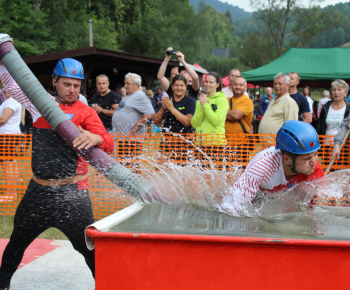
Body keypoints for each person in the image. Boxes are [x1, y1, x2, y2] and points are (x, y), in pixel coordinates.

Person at [0, 58, 114, 289]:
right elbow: (11, 86)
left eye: (76, 85)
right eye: (66, 84)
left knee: (89, 252)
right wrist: (4, 55)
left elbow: (110, 144)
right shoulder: (39, 105)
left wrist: (96, 138)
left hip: (73, 197)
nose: (72, 90)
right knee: (15, 246)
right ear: (54, 81)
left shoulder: (86, 113)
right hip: (37, 194)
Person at [220, 121, 324, 216]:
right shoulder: (260, 168)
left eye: (315, 154)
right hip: (259, 194)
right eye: (307, 158)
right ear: (287, 159)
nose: (314, 162)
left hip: (280, 192)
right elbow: (230, 207)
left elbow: (308, 212)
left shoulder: (314, 170)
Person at [0, 88, 22, 202]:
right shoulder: (12, 101)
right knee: (12, 163)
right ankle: (13, 190)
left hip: (6, 136)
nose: (4, 90)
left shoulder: (11, 102)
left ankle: (10, 193)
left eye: (7, 88)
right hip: (10, 135)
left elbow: (3, 119)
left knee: (7, 164)